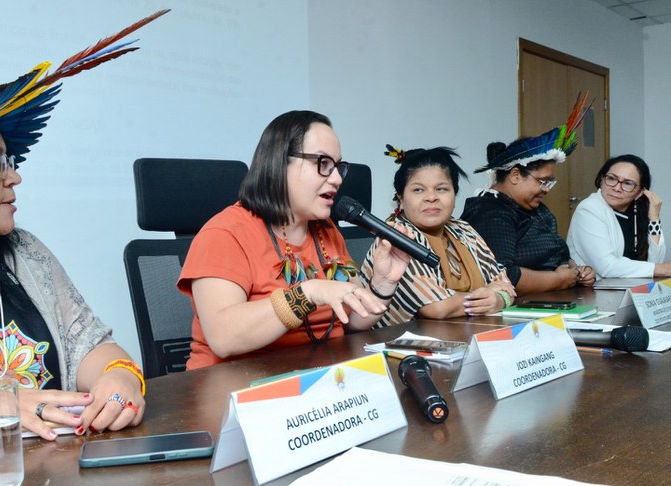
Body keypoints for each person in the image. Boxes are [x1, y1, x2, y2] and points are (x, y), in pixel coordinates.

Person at [0, 11, 169, 448]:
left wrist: (120, 380)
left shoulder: (25, 253)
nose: (14, 177)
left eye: (9, 161)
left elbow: (92, 344)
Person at [177, 111, 411, 369]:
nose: (336, 178)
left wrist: (383, 282)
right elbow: (224, 338)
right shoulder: (224, 233)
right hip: (234, 389)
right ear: (278, 164)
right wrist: (308, 293)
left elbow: (353, 319)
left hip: (315, 384)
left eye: (337, 167)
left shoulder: (326, 231)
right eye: (322, 163)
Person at [360, 145, 515, 325]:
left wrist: (500, 299)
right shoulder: (396, 237)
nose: (431, 197)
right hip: (401, 346)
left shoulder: (463, 229)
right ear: (401, 198)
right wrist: (488, 299)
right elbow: (437, 308)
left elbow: (505, 283)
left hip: (463, 336)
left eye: (441, 189)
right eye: (418, 190)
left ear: (454, 195)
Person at [460, 96, 596, 294]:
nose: (547, 189)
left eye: (550, 182)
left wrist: (578, 271)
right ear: (515, 174)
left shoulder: (536, 208)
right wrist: (557, 280)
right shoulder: (490, 212)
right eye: (542, 181)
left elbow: (559, 255)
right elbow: (502, 274)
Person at [567, 155, 670, 278]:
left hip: (634, 291)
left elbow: (655, 262)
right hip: (595, 292)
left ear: (640, 192)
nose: (616, 188)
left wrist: (654, 219)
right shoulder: (589, 209)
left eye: (628, 183)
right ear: (601, 179)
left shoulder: (638, 213)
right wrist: (661, 269)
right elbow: (607, 267)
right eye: (611, 178)